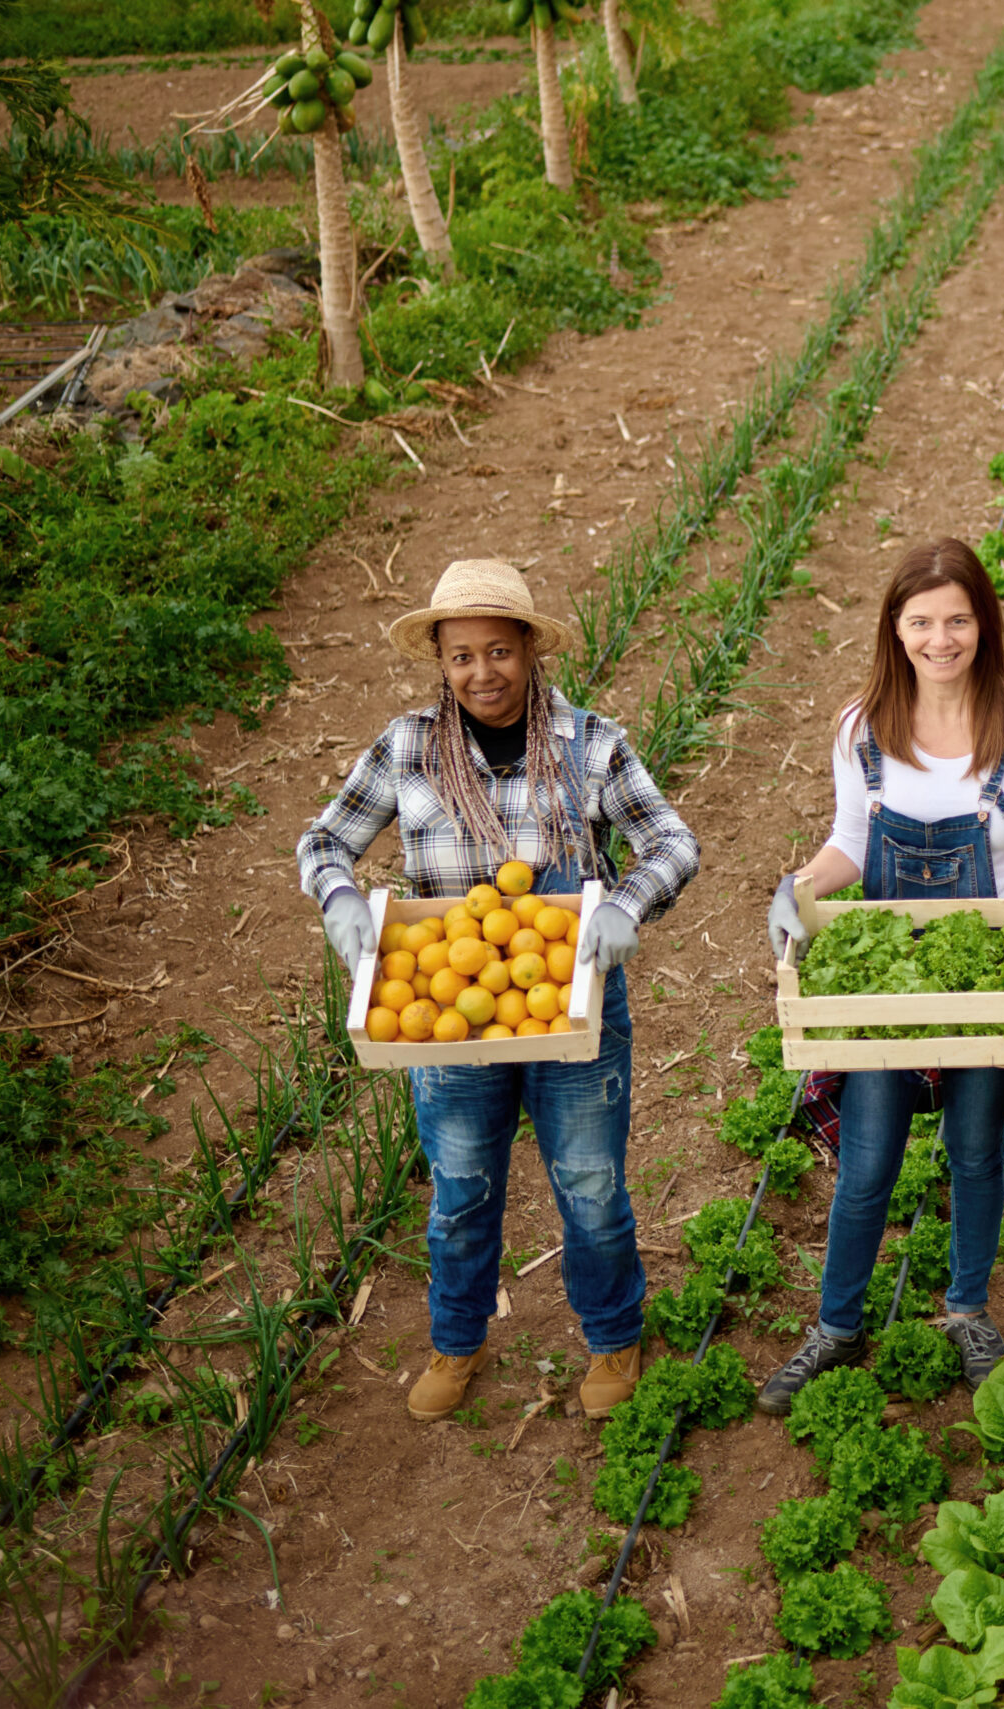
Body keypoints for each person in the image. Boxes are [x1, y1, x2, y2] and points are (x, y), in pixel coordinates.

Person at [298, 559, 700, 1423]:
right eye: (460, 656)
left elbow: (671, 840)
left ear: (529, 651)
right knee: (462, 1185)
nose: (481, 673)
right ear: (440, 663)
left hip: (568, 995)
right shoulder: (406, 746)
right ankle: (458, 1340)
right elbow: (325, 840)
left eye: (497, 651)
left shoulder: (590, 743)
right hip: (446, 1013)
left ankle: (612, 1333)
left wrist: (628, 901)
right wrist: (338, 898)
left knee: (590, 1182)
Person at [759, 539, 1004, 1414]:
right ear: (896, 627)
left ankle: (966, 1309)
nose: (941, 638)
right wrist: (797, 888)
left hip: (991, 972)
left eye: (958, 619)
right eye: (922, 621)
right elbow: (848, 843)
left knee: (974, 1148)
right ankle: (837, 1326)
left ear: (984, 623)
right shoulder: (861, 726)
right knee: (869, 1159)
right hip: (887, 981)